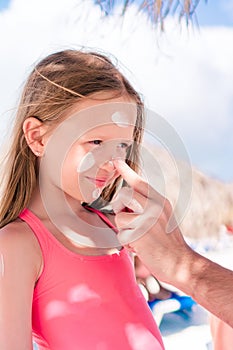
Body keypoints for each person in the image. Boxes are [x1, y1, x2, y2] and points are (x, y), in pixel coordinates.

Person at [0, 49, 165, 350]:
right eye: (96, 142)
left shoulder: (115, 226)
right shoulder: (18, 243)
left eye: (122, 147)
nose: (111, 162)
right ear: (38, 138)